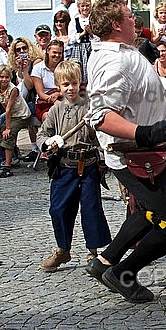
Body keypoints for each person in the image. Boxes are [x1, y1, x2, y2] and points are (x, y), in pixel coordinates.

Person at [84, 0, 166, 303]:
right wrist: (145, 133)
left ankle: (105, 261)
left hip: (150, 154)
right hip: (137, 157)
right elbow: (102, 116)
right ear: (115, 25)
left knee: (151, 210)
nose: (135, 20)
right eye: (129, 16)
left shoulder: (122, 52)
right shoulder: (114, 60)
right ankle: (124, 272)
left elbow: (154, 89)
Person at [36, 61, 112, 271]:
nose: (71, 88)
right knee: (58, 209)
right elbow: (42, 134)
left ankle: (93, 252)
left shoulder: (90, 107)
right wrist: (47, 143)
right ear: (59, 87)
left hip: (87, 166)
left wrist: (103, 155)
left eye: (74, 83)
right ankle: (63, 250)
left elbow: (102, 135)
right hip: (63, 166)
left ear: (81, 84)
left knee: (91, 208)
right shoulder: (55, 111)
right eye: (66, 84)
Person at [0, 65, 30, 178]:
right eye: (1, 77)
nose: (4, 79)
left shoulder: (13, 89)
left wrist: (7, 128)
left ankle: (7, 165)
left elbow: (8, 109)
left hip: (20, 115)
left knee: (8, 135)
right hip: (10, 116)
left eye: (7, 77)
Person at [9, 37, 44, 161]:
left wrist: (25, 69)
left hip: (37, 101)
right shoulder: (16, 66)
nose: (22, 51)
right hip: (25, 102)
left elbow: (30, 86)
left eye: (25, 48)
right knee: (5, 117)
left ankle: (10, 155)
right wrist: (20, 69)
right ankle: (13, 153)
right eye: (18, 50)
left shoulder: (36, 62)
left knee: (6, 118)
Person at [32, 40, 64, 122]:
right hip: (45, 102)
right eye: (54, 52)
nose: (57, 55)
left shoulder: (65, 67)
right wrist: (54, 100)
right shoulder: (38, 68)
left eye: (59, 53)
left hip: (63, 98)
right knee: (49, 117)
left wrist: (59, 94)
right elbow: (41, 93)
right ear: (48, 51)